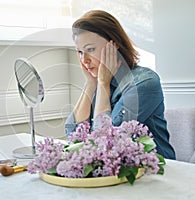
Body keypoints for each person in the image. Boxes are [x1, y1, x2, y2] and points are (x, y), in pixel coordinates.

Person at [65, 10, 176, 159]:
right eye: (80, 52)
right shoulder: (100, 82)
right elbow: (73, 136)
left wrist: (103, 83)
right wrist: (91, 83)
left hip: (156, 172)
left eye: (90, 49)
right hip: (115, 172)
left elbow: (104, 141)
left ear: (114, 44)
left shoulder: (144, 83)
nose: (84, 60)